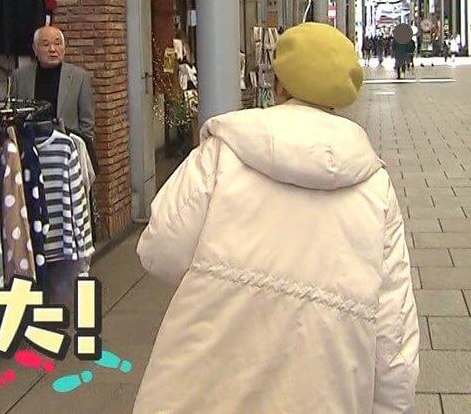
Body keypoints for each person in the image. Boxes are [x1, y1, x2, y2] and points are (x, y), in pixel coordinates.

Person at [133, 22, 419, 414]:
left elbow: (159, 251)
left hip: (200, 385)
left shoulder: (222, 152)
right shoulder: (375, 186)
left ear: (279, 85)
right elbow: (394, 332)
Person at [14, 25, 96, 145]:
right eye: (46, 45)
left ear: (64, 48)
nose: (52, 49)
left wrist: (82, 146)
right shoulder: (20, 76)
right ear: (35, 49)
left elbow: (87, 122)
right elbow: (15, 116)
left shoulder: (79, 77)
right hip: (31, 145)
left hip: (67, 146)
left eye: (57, 44)